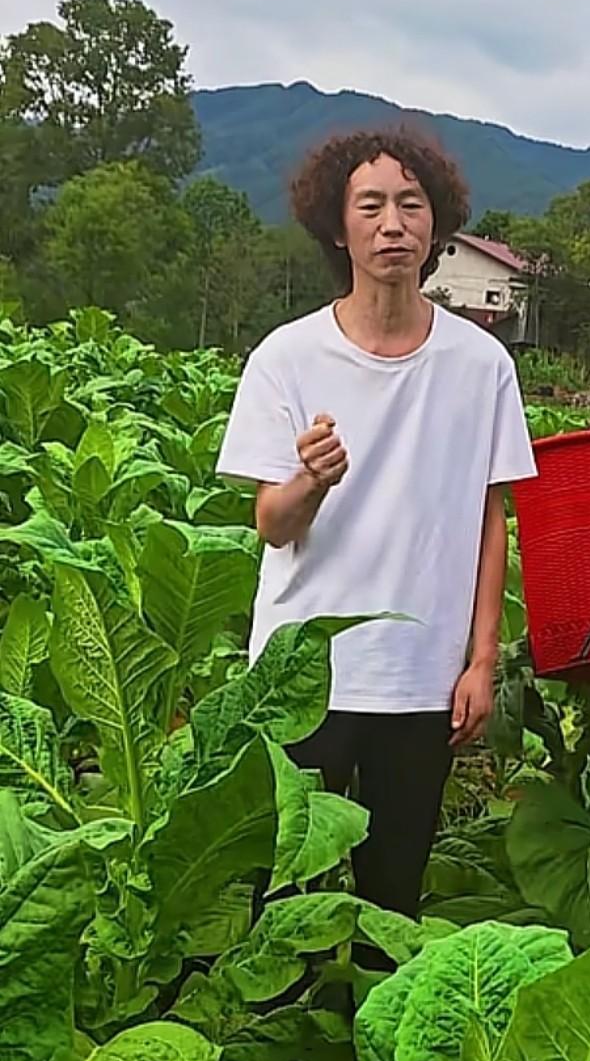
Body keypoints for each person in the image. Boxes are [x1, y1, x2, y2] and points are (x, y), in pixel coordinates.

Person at [216, 127, 536, 926]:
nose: (392, 224)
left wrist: (482, 659)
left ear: (437, 226)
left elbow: (491, 520)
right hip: (305, 674)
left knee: (394, 884)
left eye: (410, 205)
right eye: (371, 206)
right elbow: (272, 525)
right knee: (284, 889)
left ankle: (369, 1042)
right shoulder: (287, 357)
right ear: (337, 226)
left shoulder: (481, 364)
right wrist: (312, 480)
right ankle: (277, 1042)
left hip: (421, 674)